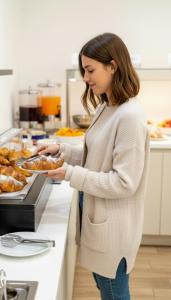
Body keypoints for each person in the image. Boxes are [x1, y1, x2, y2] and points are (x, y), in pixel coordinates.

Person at [38, 33, 150, 300]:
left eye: (90, 70)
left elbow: (124, 183)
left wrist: (69, 174)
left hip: (113, 233)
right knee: (106, 290)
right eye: (84, 70)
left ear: (113, 66)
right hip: (99, 224)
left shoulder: (130, 117)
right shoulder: (107, 106)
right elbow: (96, 155)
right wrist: (62, 151)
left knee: (113, 293)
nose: (86, 78)